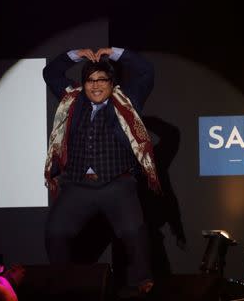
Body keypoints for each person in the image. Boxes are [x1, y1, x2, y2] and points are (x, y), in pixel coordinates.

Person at [43, 47, 161, 298]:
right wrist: (75, 55)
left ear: (112, 83)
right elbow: (51, 73)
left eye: (102, 80)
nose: (96, 86)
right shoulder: (71, 100)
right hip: (78, 185)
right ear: (83, 84)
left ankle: (143, 280)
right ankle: (63, 282)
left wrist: (116, 53)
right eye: (90, 80)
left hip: (116, 183)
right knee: (56, 232)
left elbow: (146, 72)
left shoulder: (128, 99)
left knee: (133, 232)